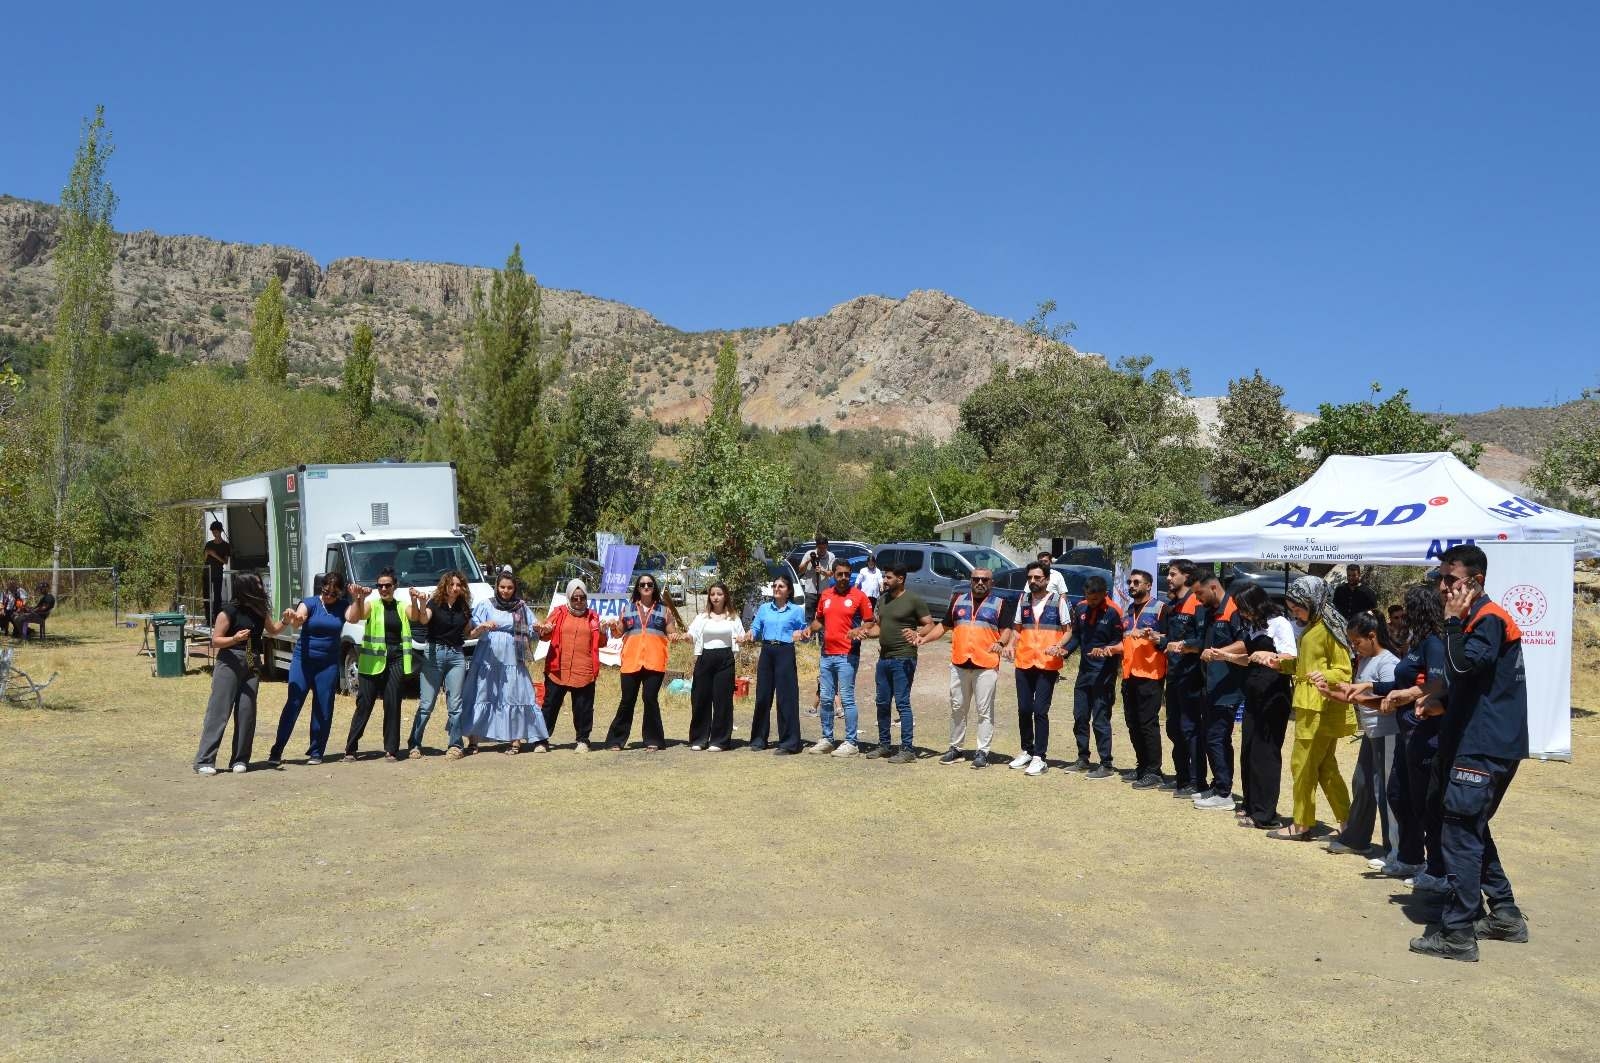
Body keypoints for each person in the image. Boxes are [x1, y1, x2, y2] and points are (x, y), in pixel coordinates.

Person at [1410, 544, 1530, 961]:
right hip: (1476, 743)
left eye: (1451, 579)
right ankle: (1505, 914)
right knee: (1469, 825)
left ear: (1475, 581)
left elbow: (1463, 666)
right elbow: (1471, 680)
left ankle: (1458, 932)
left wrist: (1451, 624)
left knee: (1461, 831)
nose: (1443, 587)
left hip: (1482, 747)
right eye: (1440, 579)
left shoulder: (1486, 618)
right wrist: (1438, 699)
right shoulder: (1477, 619)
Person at [1268, 576, 1354, 840]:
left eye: (1298, 608)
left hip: (1319, 708)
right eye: (1292, 609)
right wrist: (1281, 664)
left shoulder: (1328, 629)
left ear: (1313, 601)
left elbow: (1344, 671)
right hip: (1311, 706)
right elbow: (1306, 666)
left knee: (1303, 764)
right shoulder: (1315, 625)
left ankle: (1302, 823)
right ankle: (1349, 822)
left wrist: (1323, 676)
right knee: (1325, 766)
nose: (1295, 614)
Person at [1314, 612, 1401, 863]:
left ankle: (1394, 850)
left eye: (1357, 641)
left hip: (1387, 733)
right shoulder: (1365, 660)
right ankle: (1356, 839)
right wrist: (1330, 693)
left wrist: (1356, 695)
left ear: (1372, 636)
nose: (1354, 647)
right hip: (1372, 733)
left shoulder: (1388, 663)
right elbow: (1357, 697)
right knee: (1362, 783)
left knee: (1385, 791)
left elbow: (1389, 702)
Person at [1375, 585, 1448, 882]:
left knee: (1425, 803)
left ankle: (1437, 869)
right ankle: (1410, 858)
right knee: (1398, 794)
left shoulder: (1433, 643)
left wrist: (1406, 695)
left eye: (1408, 609)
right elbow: (1402, 682)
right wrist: (1369, 688)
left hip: (1425, 731)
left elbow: (1438, 684)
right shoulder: (1417, 642)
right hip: (1407, 732)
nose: (1403, 616)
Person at [913, 568, 1014, 769]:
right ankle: (956, 748)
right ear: (970, 581)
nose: (980, 583)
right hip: (959, 663)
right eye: (976, 579)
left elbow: (1007, 630)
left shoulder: (1000, 604)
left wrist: (1001, 643)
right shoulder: (958, 600)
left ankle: (982, 752)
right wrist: (925, 638)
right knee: (957, 708)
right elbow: (943, 626)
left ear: (991, 583)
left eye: (984, 580)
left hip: (986, 665)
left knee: (984, 711)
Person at [1214, 584, 1297, 828]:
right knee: (1249, 749)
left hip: (1273, 695)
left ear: (1257, 604)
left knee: (1265, 752)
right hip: (1253, 693)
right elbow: (1249, 658)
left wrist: (1270, 657)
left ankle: (1265, 813)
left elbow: (1290, 657)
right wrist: (1225, 656)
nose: (1242, 612)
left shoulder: (1279, 623)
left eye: (1244, 607)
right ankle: (1251, 804)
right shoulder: (1253, 625)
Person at [193, 573, 288, 774]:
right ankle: (204, 760)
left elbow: (273, 630)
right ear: (246, 588)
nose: (262, 588)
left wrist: (285, 621)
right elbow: (215, 641)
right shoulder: (228, 612)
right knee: (219, 710)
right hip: (230, 659)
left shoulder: (260, 611)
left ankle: (240, 759)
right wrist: (234, 639)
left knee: (247, 710)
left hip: (252, 659)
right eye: (258, 585)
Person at [267, 572, 350, 767]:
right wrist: (294, 617)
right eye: (325, 591)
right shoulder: (310, 602)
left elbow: (354, 617)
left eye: (333, 593)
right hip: (303, 661)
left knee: (324, 706)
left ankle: (316, 751)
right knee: (294, 703)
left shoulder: (343, 606)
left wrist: (360, 599)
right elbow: (299, 620)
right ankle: (277, 749)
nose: (328, 596)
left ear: (340, 593)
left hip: (328, 664)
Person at [460, 572, 548, 753]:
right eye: (502, 587)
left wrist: (540, 627)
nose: (506, 591)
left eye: (509, 587)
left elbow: (534, 628)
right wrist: (483, 626)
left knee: (513, 696)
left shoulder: (521, 607)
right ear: (496, 587)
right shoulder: (485, 605)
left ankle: (515, 741)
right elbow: (471, 631)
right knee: (481, 694)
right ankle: (473, 741)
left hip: (513, 659)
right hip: (487, 658)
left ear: (514, 588)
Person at [861, 564, 937, 764]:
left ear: (901, 579)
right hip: (884, 658)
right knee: (882, 702)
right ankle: (884, 744)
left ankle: (907, 749)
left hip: (904, 657)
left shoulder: (913, 600)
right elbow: (878, 627)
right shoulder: (883, 599)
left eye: (888, 577)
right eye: (884, 577)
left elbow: (930, 624)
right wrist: (865, 633)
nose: (884, 581)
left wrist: (917, 633)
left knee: (902, 703)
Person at [603, 573, 685, 750]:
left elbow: (671, 632)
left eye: (649, 584)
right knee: (627, 700)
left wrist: (675, 636)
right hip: (631, 662)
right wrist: (613, 627)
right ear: (638, 588)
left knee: (650, 699)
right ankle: (616, 740)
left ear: (654, 587)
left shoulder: (664, 610)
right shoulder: (628, 609)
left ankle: (653, 739)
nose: (646, 587)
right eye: (642, 585)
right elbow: (618, 633)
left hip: (655, 662)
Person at [1053, 572, 1123, 779]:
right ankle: (1083, 758)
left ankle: (1106, 764)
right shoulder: (1081, 608)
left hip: (1104, 673)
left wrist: (1107, 650)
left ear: (1104, 594)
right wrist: (1065, 651)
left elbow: (1119, 642)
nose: (1091, 602)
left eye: (1095, 599)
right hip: (1084, 672)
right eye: (1088, 597)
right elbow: (1076, 636)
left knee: (1100, 719)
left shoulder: (1113, 612)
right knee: (1080, 716)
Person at [341, 568, 415, 762]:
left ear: (394, 586)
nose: (383, 589)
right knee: (364, 705)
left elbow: (417, 616)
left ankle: (391, 749)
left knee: (392, 704)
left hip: (396, 660)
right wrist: (358, 598)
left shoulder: (402, 606)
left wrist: (418, 600)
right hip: (371, 663)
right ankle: (350, 749)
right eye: (380, 586)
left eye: (387, 585)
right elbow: (354, 617)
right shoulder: (371, 605)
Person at [1004, 562, 1068, 777]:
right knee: (1024, 709)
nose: (1033, 581)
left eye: (1037, 577)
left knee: (1040, 710)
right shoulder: (1023, 600)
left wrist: (1059, 646)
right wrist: (1010, 645)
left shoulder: (1058, 601)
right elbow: (1017, 629)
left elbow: (1068, 630)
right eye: (1030, 577)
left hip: (1047, 664)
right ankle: (1027, 750)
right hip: (1024, 661)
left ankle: (1040, 757)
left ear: (1047, 580)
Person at [805, 559, 874, 757]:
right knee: (826, 698)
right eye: (840, 574)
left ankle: (851, 743)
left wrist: (860, 630)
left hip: (847, 655)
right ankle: (827, 739)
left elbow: (870, 622)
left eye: (847, 574)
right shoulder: (826, 595)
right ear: (833, 575)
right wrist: (809, 629)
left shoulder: (859, 596)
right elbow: (819, 620)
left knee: (846, 699)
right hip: (827, 654)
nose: (844, 578)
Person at [1193, 572, 1246, 810]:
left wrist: (1220, 653)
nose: (1197, 598)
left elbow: (1244, 644)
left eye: (1199, 593)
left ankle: (1224, 793)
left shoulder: (1233, 610)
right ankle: (1217, 786)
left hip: (1227, 688)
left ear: (1213, 587)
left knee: (1218, 738)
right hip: (1209, 686)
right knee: (1210, 738)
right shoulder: (1210, 611)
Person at [405, 570, 472, 758]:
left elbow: (467, 633)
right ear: (445, 586)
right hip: (434, 653)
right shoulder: (434, 603)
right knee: (427, 704)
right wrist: (421, 602)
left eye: (458, 585)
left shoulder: (464, 607)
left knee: (455, 704)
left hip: (456, 656)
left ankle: (455, 745)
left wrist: (481, 629)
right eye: (451, 584)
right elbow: (423, 619)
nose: (455, 588)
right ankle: (414, 743)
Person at [1153, 559, 1206, 796]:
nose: (1168, 578)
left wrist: (1183, 645)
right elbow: (1170, 641)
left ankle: (1197, 780)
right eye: (1168, 574)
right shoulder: (1172, 605)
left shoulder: (1196, 603)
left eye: (1173, 574)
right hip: (1174, 675)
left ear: (1187, 576)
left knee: (1189, 728)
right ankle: (1181, 777)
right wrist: (1160, 639)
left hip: (1191, 676)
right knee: (1174, 728)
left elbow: (1203, 640)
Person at [1110, 569, 1167, 788]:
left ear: (1148, 585)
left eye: (1136, 582)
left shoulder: (1160, 608)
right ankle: (1142, 766)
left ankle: (1154, 771)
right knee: (1132, 723)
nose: (1131, 586)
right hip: (1129, 674)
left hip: (1150, 674)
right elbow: (1126, 641)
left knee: (1147, 723)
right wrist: (1109, 649)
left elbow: (1170, 638)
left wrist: (1154, 636)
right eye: (1130, 582)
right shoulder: (1127, 610)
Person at [741, 573, 809, 754]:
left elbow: (805, 634)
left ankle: (789, 743)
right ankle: (758, 739)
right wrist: (749, 635)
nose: (776, 589)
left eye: (781, 586)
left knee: (786, 697)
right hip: (767, 651)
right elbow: (756, 628)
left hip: (785, 651)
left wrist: (802, 635)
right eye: (774, 586)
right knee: (763, 696)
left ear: (789, 591)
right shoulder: (764, 608)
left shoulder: (796, 610)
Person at [538, 580, 609, 753]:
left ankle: (583, 740)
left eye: (582, 597)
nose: (578, 601)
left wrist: (602, 632)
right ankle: (541, 740)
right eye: (574, 598)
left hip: (583, 670)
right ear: (569, 597)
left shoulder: (593, 616)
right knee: (550, 705)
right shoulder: (558, 613)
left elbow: (601, 643)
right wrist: (545, 629)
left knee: (583, 708)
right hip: (557, 669)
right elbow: (544, 636)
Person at [686, 582, 744, 751]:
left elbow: (741, 636)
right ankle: (699, 739)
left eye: (719, 594)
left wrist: (742, 639)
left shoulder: (733, 617)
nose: (716, 597)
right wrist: (686, 637)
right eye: (712, 594)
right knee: (700, 698)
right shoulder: (702, 617)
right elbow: (692, 634)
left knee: (722, 700)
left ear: (725, 596)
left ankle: (720, 740)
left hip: (725, 660)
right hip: (705, 658)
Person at [796, 535, 838, 624]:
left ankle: (822, 633)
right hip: (810, 591)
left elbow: (831, 573)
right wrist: (808, 561)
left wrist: (822, 571)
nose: (822, 550)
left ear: (827, 546)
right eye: (820, 548)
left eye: (824, 548)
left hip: (824, 591)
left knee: (823, 616)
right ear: (816, 546)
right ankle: (809, 632)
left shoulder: (831, 556)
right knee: (809, 617)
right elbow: (800, 569)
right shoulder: (809, 554)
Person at [202, 520, 231, 624]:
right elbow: (204, 559)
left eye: (216, 532)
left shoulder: (225, 545)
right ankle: (208, 618)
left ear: (220, 531)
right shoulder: (209, 544)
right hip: (207, 573)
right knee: (206, 596)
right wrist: (207, 553)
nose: (214, 534)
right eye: (213, 532)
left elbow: (225, 561)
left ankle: (217, 618)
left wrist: (215, 555)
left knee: (217, 596)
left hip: (218, 573)